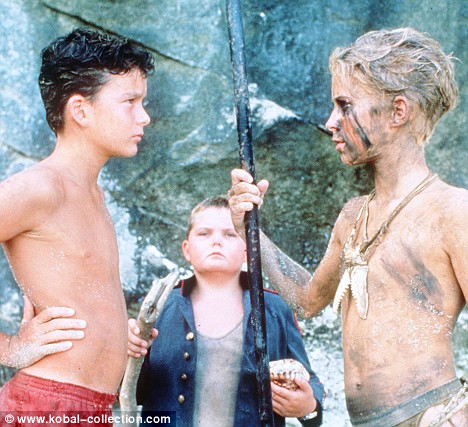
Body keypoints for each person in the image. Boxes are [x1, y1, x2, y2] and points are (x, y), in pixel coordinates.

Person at [227, 28, 467, 426]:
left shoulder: (451, 211)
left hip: (430, 415)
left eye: (345, 106)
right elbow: (308, 301)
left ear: (398, 112)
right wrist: (248, 230)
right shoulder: (354, 216)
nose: (329, 122)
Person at [0, 28, 154, 420]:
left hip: (91, 408)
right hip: (46, 405)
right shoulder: (40, 188)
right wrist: (8, 347)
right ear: (81, 111)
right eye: (130, 102)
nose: (145, 117)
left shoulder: (93, 194)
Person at [128, 195, 325, 426]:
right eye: (204, 233)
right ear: (186, 249)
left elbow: (309, 381)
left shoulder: (275, 308)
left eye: (230, 234)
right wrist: (129, 353)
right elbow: (131, 391)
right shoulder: (158, 307)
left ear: (247, 250)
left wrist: (308, 408)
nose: (216, 242)